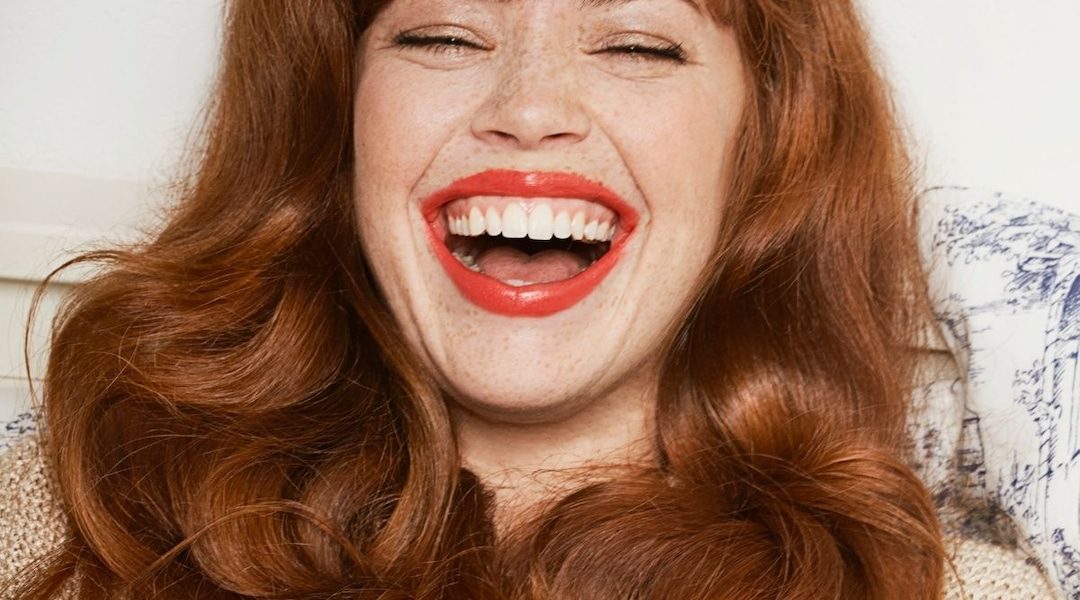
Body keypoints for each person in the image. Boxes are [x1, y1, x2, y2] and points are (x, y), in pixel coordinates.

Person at [0, 0, 1073, 598]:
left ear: (765, 145)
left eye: (637, 44)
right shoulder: (61, 521)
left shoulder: (956, 592)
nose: (528, 108)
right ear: (335, 120)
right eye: (442, 35)